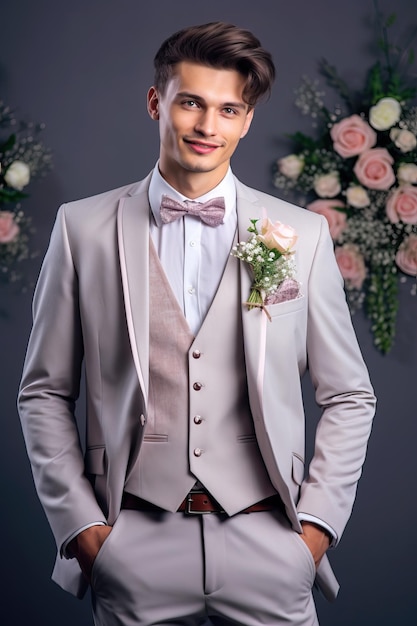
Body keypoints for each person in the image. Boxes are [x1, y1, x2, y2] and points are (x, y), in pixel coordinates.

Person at [18, 21, 376, 626]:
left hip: (270, 542)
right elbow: (44, 391)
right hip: (133, 545)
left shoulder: (301, 237)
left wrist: (313, 532)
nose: (209, 126)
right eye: (191, 103)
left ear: (247, 120)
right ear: (157, 102)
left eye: (228, 109)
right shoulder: (82, 229)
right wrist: (84, 529)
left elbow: (349, 395)